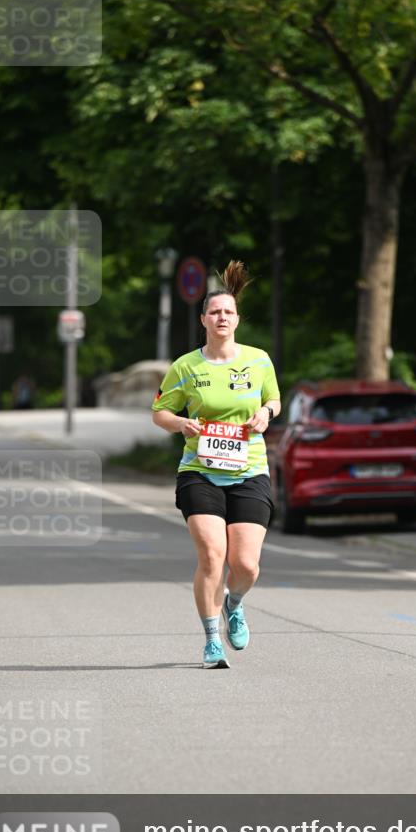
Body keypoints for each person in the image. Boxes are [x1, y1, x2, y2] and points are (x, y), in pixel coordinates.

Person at [152, 261, 281, 669]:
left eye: (228, 311)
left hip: (249, 470)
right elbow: (159, 412)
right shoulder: (185, 367)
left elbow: (274, 400)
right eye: (214, 312)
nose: (221, 317)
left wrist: (267, 414)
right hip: (200, 471)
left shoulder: (259, 361)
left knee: (246, 564)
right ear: (203, 319)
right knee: (212, 555)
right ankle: (211, 640)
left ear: (237, 318)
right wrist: (180, 422)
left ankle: (234, 603)